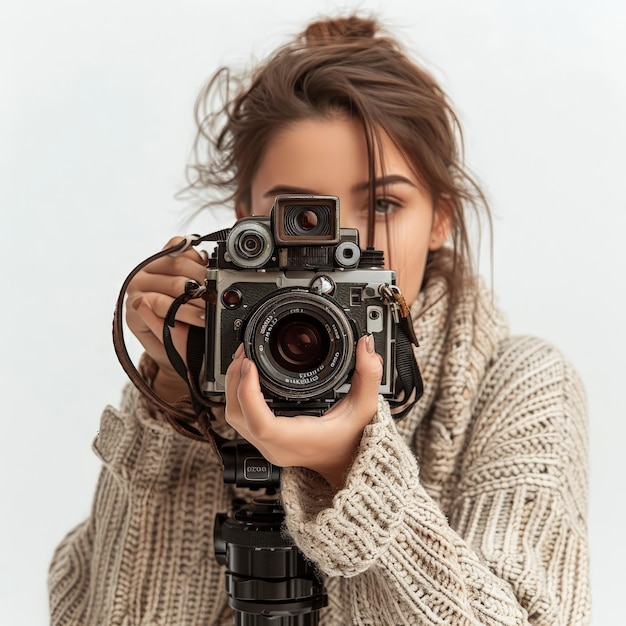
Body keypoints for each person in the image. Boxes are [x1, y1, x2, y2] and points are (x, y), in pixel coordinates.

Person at [48, 14, 591, 625]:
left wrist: (350, 471)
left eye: (382, 204)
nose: (337, 249)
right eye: (298, 213)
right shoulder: (206, 373)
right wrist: (175, 403)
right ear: (243, 217)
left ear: (441, 216)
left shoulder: (522, 386)